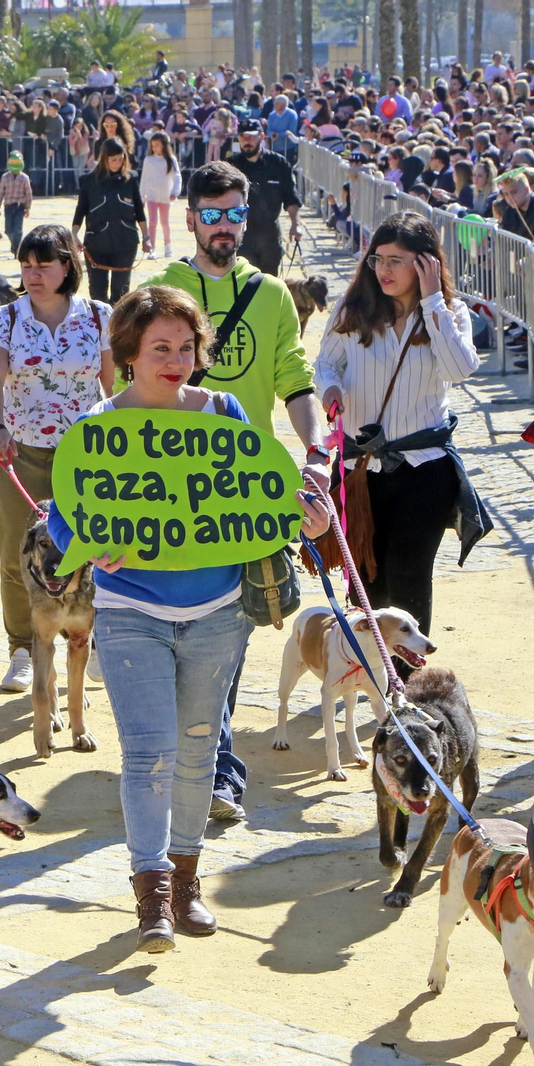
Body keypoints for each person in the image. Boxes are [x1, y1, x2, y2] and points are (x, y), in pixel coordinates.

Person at [47, 285, 331, 952]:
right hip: (129, 614)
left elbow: (266, 493)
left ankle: (187, 876)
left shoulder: (226, 412)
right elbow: (64, 514)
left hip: (218, 615)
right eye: (159, 348)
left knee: (199, 749)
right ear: (128, 354)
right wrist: (88, 545)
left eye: (185, 347)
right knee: (149, 751)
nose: (175, 359)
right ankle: (151, 894)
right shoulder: (97, 429)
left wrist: (308, 516)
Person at [142, 160, 329, 822]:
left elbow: (294, 380)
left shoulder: (275, 294)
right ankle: (186, 756)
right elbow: (129, 382)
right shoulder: (163, 287)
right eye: (211, 214)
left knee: (228, 632)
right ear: (189, 217)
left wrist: (317, 453)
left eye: (235, 215)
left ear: (249, 218)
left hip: (248, 490)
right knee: (173, 631)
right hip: (170, 493)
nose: (224, 227)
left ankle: (217, 768)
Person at [315, 212, 486, 661]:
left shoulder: (450, 314)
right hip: (359, 469)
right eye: (378, 260)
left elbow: (460, 369)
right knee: (367, 577)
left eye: (398, 260)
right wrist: (330, 387)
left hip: (424, 467)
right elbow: (326, 363)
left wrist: (432, 301)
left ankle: (408, 688)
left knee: (408, 571)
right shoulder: (352, 310)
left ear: (426, 264)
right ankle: (366, 672)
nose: (385, 270)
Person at [0, 223, 113, 696]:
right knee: (20, 553)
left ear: (68, 264)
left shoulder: (99, 317)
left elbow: (115, 388)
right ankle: (22, 648)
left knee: (93, 549)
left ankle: (90, 640)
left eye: (44, 264)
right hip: (19, 451)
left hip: (87, 456)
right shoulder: (4, 318)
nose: (33, 274)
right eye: (26, 265)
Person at [72, 138, 149, 303]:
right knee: (97, 293)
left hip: (125, 243)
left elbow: (139, 211)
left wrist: (146, 237)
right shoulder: (88, 181)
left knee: (120, 294)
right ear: (104, 158)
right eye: (113, 160)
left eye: (121, 159)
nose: (117, 163)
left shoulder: (131, 179)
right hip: (96, 244)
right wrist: (74, 234)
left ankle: (118, 327)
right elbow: (81, 210)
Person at [227, 119, 301, 277]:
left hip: (269, 234)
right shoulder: (230, 167)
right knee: (241, 280)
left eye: (251, 137)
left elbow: (291, 198)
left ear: (261, 137)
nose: (247, 141)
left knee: (269, 280)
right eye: (243, 137)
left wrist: (295, 225)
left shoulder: (279, 164)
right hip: (240, 231)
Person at [140, 130, 183, 259]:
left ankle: (168, 245)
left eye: (157, 145)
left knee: (165, 223)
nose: (155, 148)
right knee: (152, 222)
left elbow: (177, 177)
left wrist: (175, 192)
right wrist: (141, 198)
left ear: (164, 145)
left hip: (165, 196)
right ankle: (152, 248)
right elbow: (144, 178)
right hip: (151, 196)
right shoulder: (148, 160)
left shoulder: (171, 160)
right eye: (153, 145)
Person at [0, 151, 33, 257]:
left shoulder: (24, 178)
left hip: (19, 206)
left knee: (18, 229)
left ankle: (17, 247)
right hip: (8, 205)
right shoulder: (5, 177)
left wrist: (28, 208)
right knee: (8, 229)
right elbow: (0, 192)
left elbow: (28, 193)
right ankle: (14, 243)